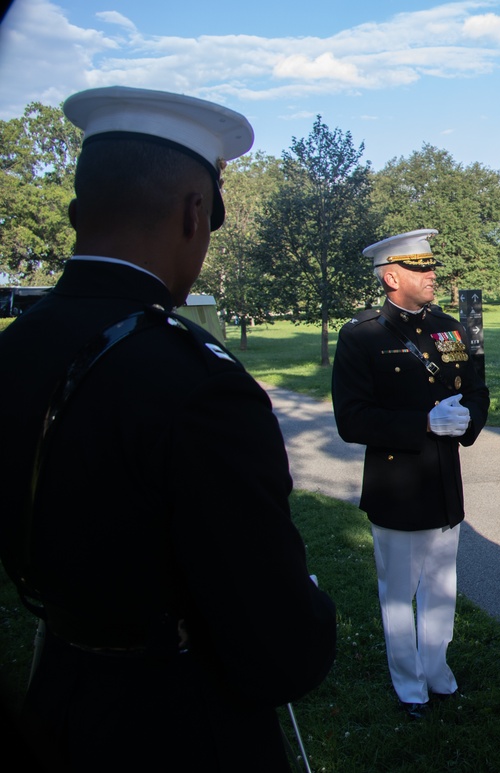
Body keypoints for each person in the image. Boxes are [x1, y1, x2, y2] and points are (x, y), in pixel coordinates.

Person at [0, 86, 337, 771]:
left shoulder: (17, 348)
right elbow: (279, 650)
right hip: (180, 725)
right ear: (193, 213)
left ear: (76, 211)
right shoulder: (200, 385)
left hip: (54, 694)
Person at [331, 229, 490, 719]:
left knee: (443, 585)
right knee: (399, 592)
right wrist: (421, 422)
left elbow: (478, 388)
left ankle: (437, 672)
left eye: (431, 267)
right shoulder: (362, 335)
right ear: (392, 276)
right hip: (396, 485)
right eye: (420, 269)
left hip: (444, 480)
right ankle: (409, 685)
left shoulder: (454, 329)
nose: (431, 275)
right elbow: (351, 419)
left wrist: (469, 423)